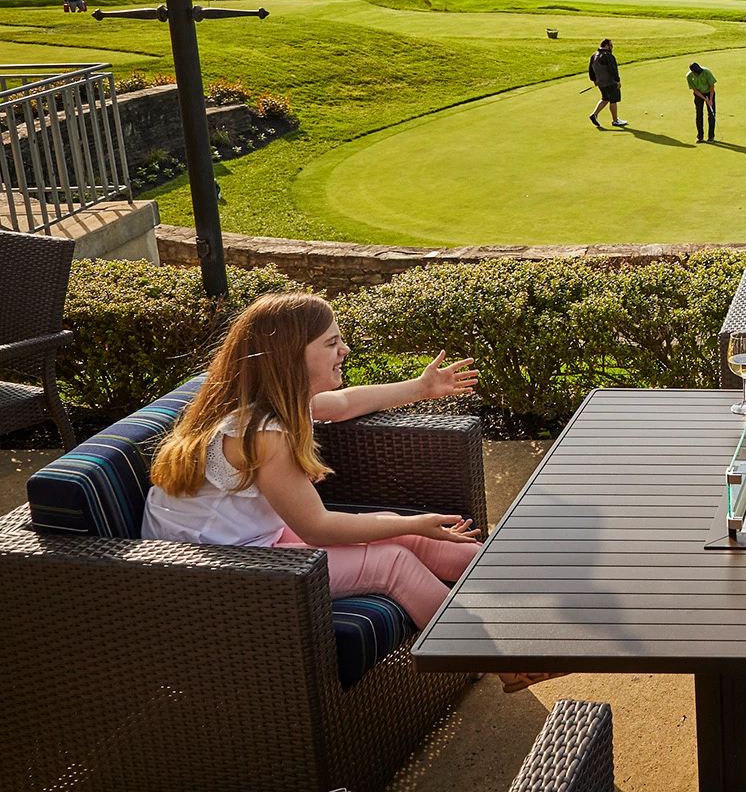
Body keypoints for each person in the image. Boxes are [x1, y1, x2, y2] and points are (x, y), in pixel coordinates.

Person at [143, 292, 558, 692]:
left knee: (399, 531)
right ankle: (512, 666)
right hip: (208, 572)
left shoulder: (276, 402)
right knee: (392, 561)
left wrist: (422, 387)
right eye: (331, 343)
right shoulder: (263, 433)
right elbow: (317, 527)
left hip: (248, 541)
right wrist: (419, 522)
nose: (344, 350)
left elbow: (343, 405)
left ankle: (543, 581)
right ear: (291, 356)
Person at [588, 39, 626, 128]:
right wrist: (617, 80)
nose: (612, 47)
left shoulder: (594, 55)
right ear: (606, 46)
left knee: (605, 98)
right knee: (613, 100)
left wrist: (594, 80)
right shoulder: (608, 56)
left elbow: (591, 69)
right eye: (611, 45)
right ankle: (615, 120)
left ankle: (594, 114)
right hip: (610, 82)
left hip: (601, 82)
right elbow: (613, 69)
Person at [687, 61, 718, 143]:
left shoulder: (706, 72)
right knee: (699, 114)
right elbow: (695, 91)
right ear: (693, 72)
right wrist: (705, 99)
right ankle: (700, 136)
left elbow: (712, 86)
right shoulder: (689, 76)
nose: (699, 74)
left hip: (709, 92)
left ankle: (711, 136)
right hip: (698, 95)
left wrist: (710, 99)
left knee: (711, 114)